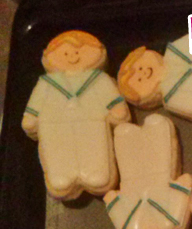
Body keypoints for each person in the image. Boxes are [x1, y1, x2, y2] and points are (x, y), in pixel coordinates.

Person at [22, 30, 130, 199]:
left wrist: (117, 108)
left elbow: (109, 95)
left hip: (92, 123)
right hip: (54, 126)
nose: (73, 57)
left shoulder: (98, 78)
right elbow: (36, 103)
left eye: (79, 51)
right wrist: (31, 117)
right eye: (65, 53)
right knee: (58, 150)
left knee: (94, 146)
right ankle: (62, 175)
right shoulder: (46, 83)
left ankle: (96, 172)